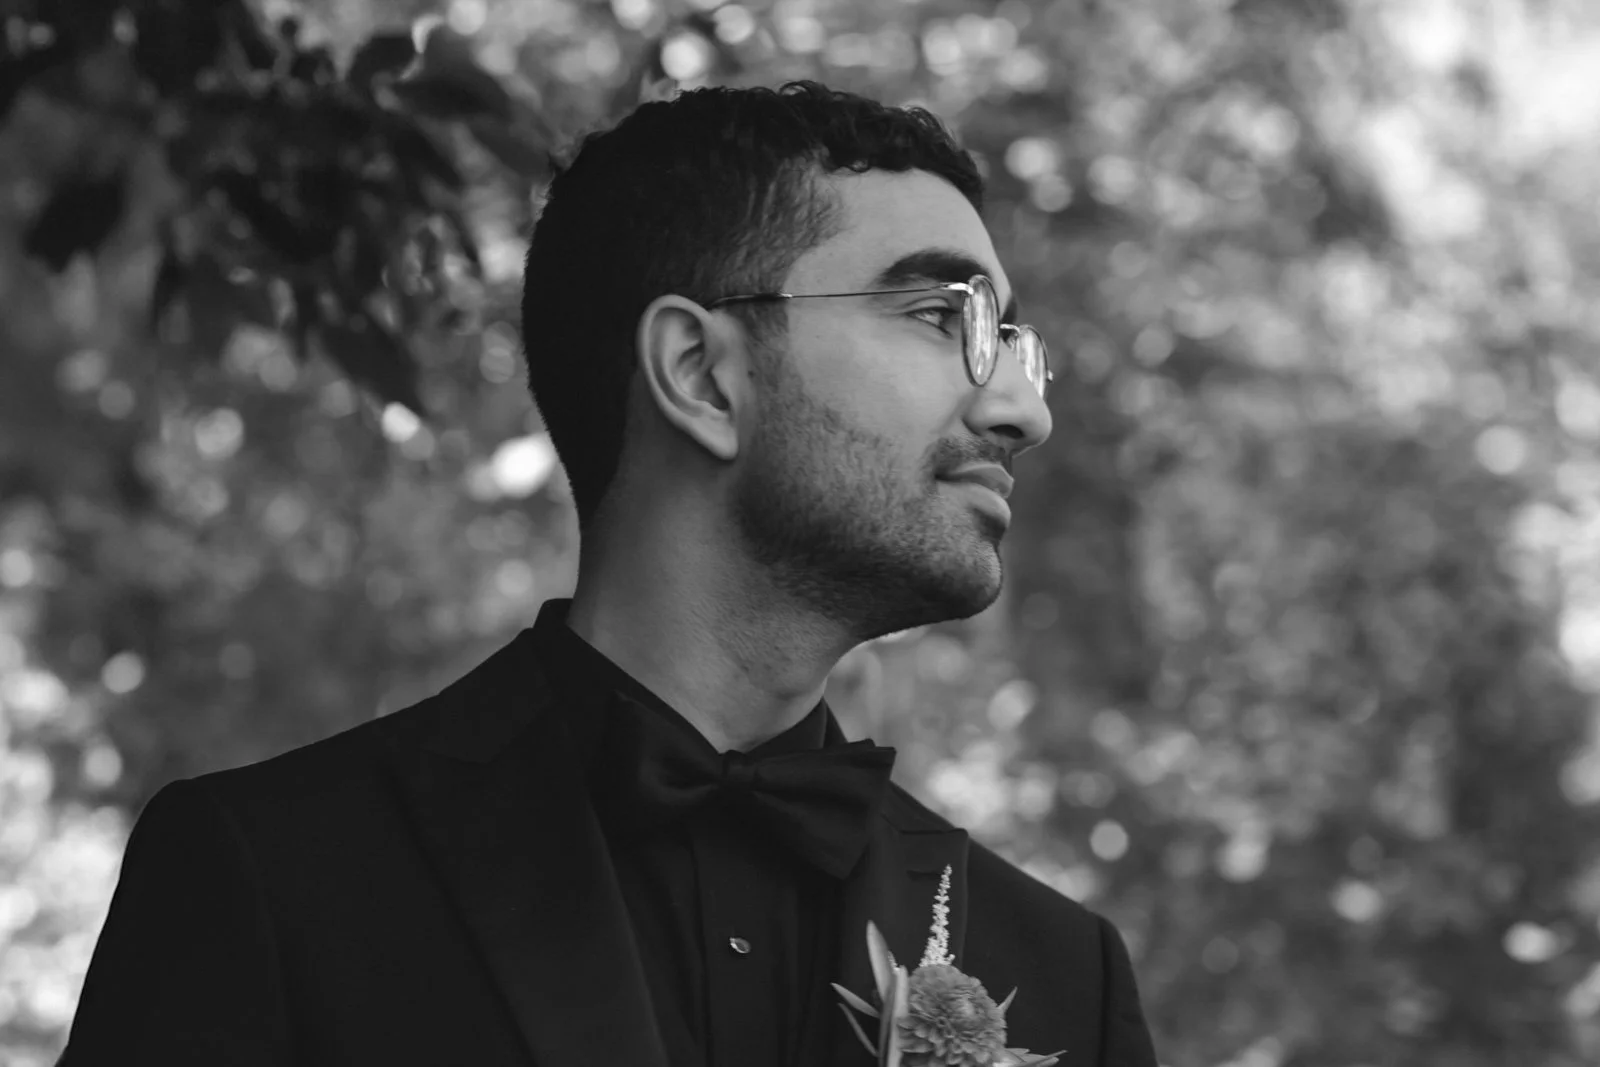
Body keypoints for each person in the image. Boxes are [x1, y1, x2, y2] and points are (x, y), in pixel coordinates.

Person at [60, 81, 1159, 1067]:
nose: (1023, 408)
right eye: (939, 317)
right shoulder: (275, 878)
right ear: (699, 375)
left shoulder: (1063, 971)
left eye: (1011, 342)